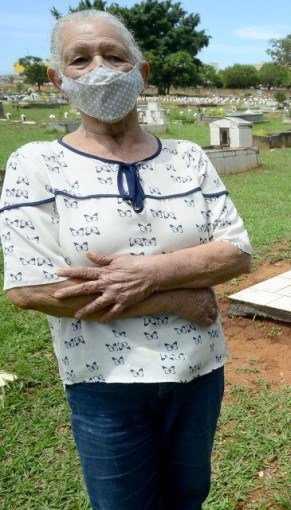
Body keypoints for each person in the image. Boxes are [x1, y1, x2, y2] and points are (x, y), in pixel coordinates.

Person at [0, 10, 252, 509]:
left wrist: (149, 273)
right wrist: (179, 296)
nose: (101, 69)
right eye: (81, 59)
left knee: (188, 496)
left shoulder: (187, 157)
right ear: (56, 78)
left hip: (197, 372)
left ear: (142, 71)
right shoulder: (36, 164)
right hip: (105, 383)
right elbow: (29, 289)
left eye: (115, 56)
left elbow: (236, 252)